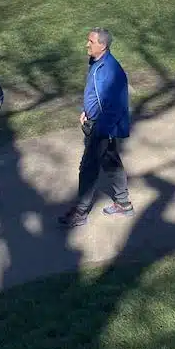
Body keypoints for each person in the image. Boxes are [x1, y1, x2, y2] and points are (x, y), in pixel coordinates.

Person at [58, 28, 133, 227]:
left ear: (103, 45)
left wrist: (101, 129)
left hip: (103, 126)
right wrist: (86, 110)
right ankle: (124, 203)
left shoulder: (111, 71)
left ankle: (80, 212)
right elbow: (94, 92)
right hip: (98, 122)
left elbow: (115, 106)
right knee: (110, 161)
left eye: (91, 41)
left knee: (88, 167)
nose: (87, 44)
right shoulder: (97, 63)